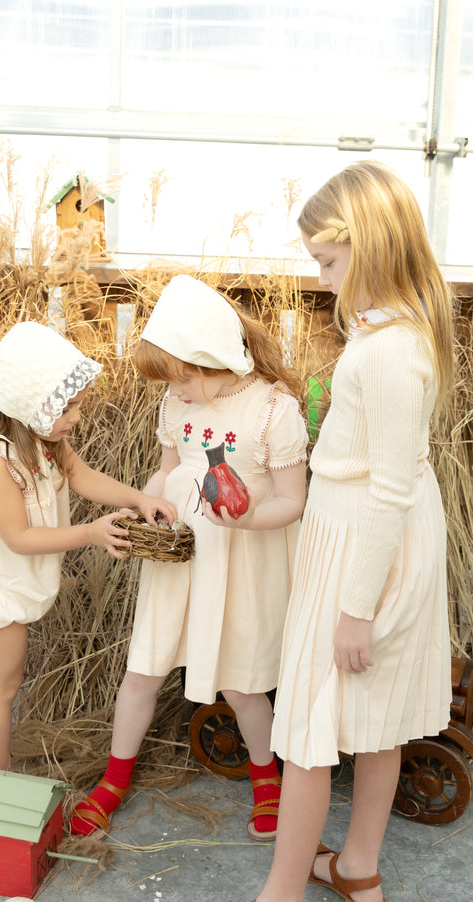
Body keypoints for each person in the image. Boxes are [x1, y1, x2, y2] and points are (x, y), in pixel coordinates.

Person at [173, 160, 454, 902]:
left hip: (365, 547)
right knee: (373, 721)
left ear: (370, 245)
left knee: (307, 731)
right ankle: (357, 864)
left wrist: (356, 609)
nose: (321, 277)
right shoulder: (386, 334)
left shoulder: (392, 351)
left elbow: (392, 489)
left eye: (328, 262)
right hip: (365, 533)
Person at [70, 274, 308, 842]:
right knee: (143, 668)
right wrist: (151, 502)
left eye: (181, 379)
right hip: (178, 558)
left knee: (243, 683)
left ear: (212, 361)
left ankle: (265, 776)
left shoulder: (273, 411)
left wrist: (246, 517)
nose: (173, 392)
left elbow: (294, 502)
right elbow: (167, 468)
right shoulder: (175, 404)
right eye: (169, 383)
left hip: (241, 564)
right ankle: (114, 778)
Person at [0, 320, 176, 772]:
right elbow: (20, 537)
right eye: (67, 407)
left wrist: (139, 497)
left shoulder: (46, 443)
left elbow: (83, 477)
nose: (77, 418)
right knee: (3, 688)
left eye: (77, 406)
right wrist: (91, 533)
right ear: (29, 405)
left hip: (13, 581)